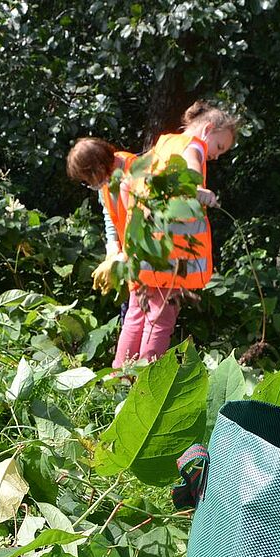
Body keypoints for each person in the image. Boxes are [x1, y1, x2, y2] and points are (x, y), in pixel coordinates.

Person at [115, 102, 239, 370]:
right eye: (219, 146)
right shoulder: (194, 145)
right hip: (168, 255)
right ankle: (146, 381)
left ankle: (119, 377)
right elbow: (192, 167)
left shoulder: (164, 144)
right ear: (208, 129)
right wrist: (199, 190)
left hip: (142, 245)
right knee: (160, 320)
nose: (216, 155)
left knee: (136, 314)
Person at [65, 137, 138, 295]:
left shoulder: (136, 174)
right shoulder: (105, 179)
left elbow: (147, 226)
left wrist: (120, 259)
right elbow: (109, 212)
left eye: (87, 180)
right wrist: (112, 245)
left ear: (97, 168)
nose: (89, 185)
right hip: (133, 260)